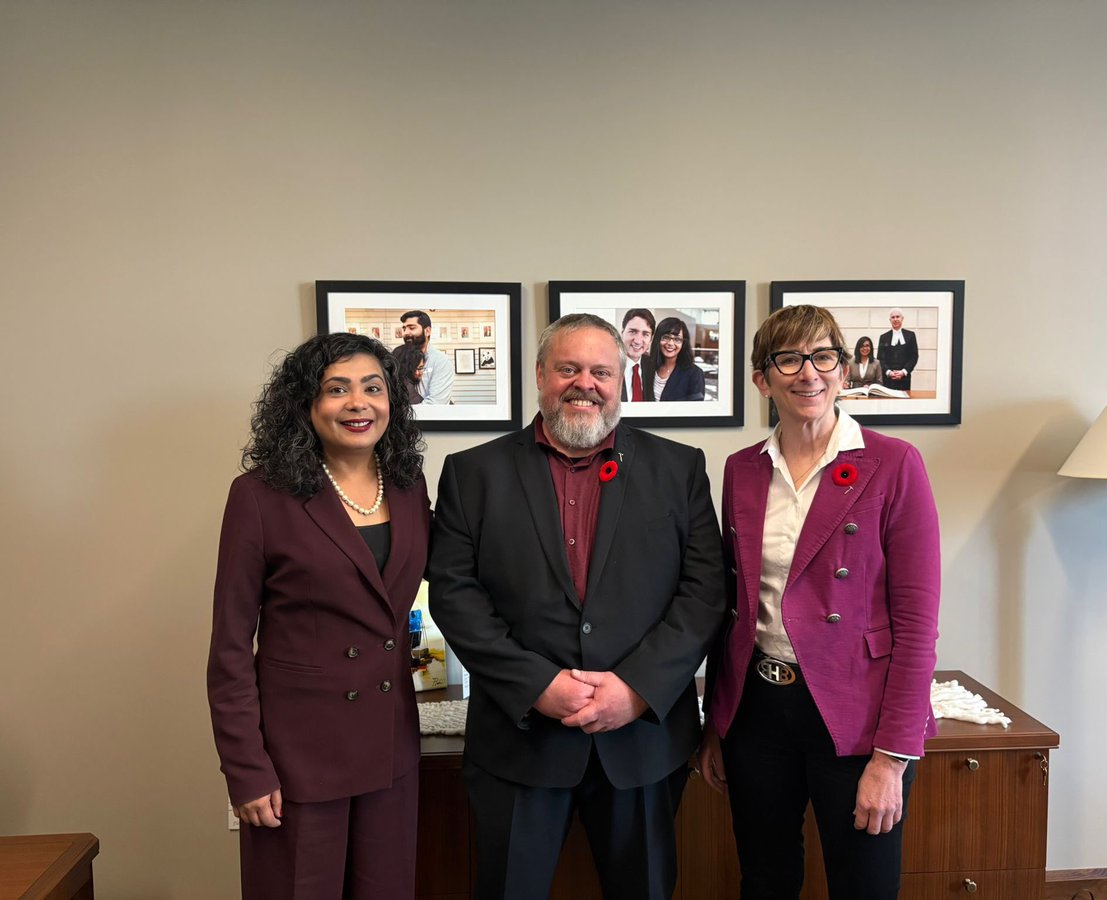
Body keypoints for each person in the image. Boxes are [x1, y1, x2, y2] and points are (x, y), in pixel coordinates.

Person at [428, 313, 725, 900]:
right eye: (568, 368)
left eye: (601, 371)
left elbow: (704, 591)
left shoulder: (679, 468)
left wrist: (636, 689)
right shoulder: (472, 473)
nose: (584, 383)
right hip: (519, 744)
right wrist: (538, 684)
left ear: (622, 379)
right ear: (541, 375)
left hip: (642, 744)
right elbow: (455, 595)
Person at [698, 304, 940, 899]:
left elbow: (916, 622)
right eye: (789, 359)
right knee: (765, 878)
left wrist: (892, 759)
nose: (809, 373)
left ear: (842, 369)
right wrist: (715, 724)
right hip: (758, 709)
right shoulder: (742, 470)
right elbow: (732, 604)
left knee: (864, 884)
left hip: (855, 714)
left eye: (823, 356)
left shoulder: (893, 463)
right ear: (763, 378)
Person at [207, 333, 430, 900]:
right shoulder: (258, 496)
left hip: (390, 748)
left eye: (372, 388)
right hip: (297, 761)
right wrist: (246, 769)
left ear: (391, 401)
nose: (358, 403)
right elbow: (231, 648)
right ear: (305, 404)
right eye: (337, 389)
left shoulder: (407, 487)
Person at [643, 316, 705, 401]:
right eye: (666, 337)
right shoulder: (648, 367)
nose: (670, 343)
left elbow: (696, 411)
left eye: (677, 339)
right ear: (658, 339)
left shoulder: (694, 374)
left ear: (683, 343)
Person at [400, 310, 454, 403]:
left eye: (411, 328)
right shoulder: (400, 357)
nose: (406, 333)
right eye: (404, 329)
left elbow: (435, 404)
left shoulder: (440, 361)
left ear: (427, 331)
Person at [877, 307, 919, 391]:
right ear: (890, 320)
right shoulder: (883, 337)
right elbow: (880, 359)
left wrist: (904, 372)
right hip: (888, 379)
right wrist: (889, 372)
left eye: (897, 316)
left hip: (905, 378)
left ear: (902, 318)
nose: (895, 319)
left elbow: (914, 356)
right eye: (893, 317)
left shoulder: (910, 335)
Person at [619, 307, 656, 402]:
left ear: (651, 340)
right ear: (622, 333)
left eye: (645, 334)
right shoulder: (607, 364)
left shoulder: (653, 366)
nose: (638, 341)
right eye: (632, 332)